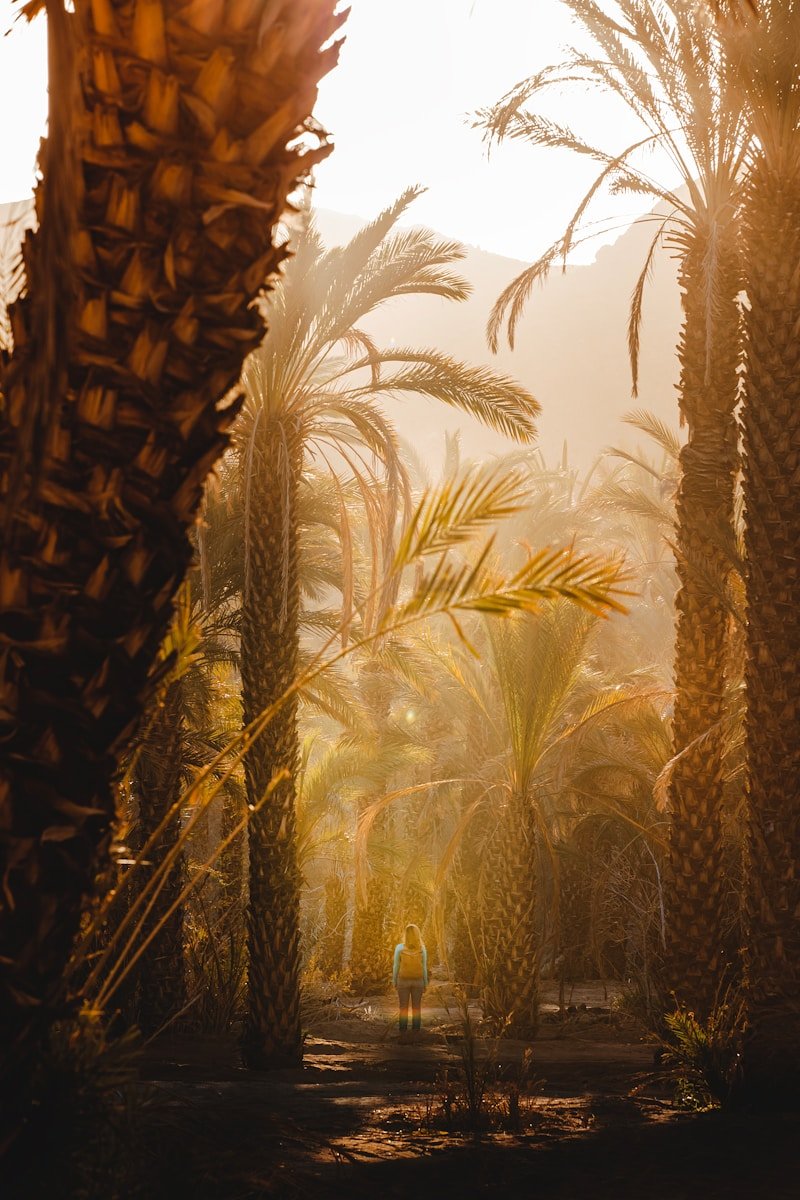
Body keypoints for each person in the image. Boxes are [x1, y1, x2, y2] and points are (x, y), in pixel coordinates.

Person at [392, 923, 428, 1038]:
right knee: (416, 1007)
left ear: (405, 935)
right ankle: (416, 1031)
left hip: (403, 980)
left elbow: (396, 966)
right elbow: (424, 967)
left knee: (403, 1006)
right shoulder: (422, 949)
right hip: (418, 981)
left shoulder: (399, 948)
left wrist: (394, 981)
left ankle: (402, 1031)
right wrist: (425, 983)